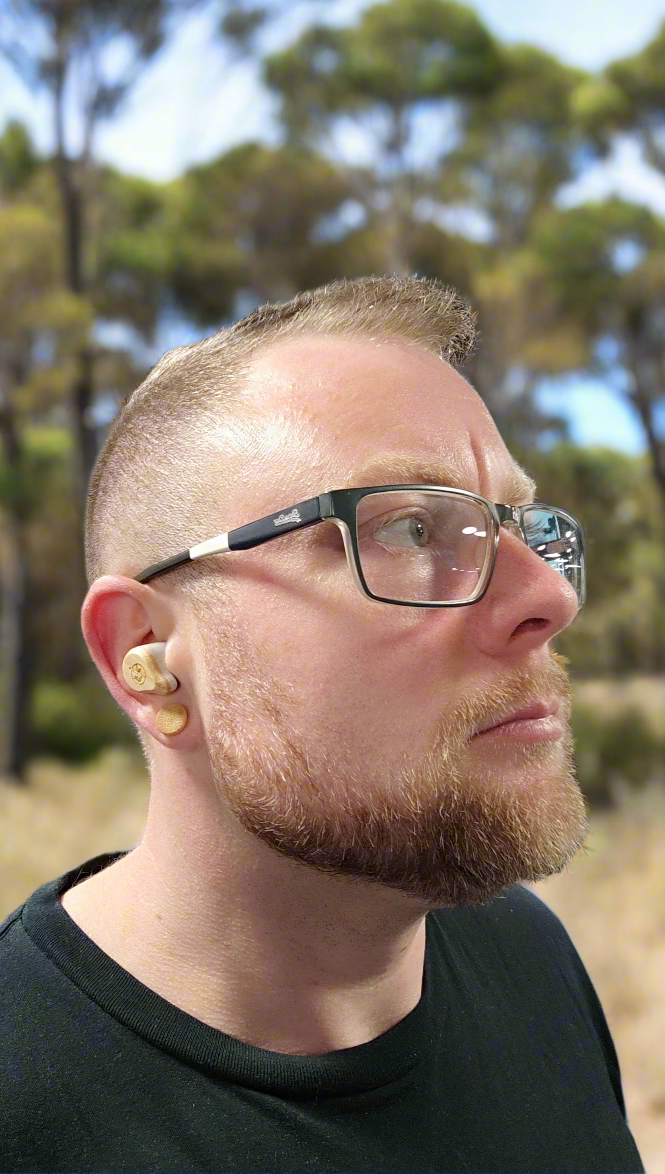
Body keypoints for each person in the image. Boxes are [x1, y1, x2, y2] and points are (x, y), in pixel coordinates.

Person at [1, 276, 645, 1173]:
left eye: (523, 529)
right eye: (413, 530)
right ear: (148, 656)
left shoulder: (523, 955)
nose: (550, 594)